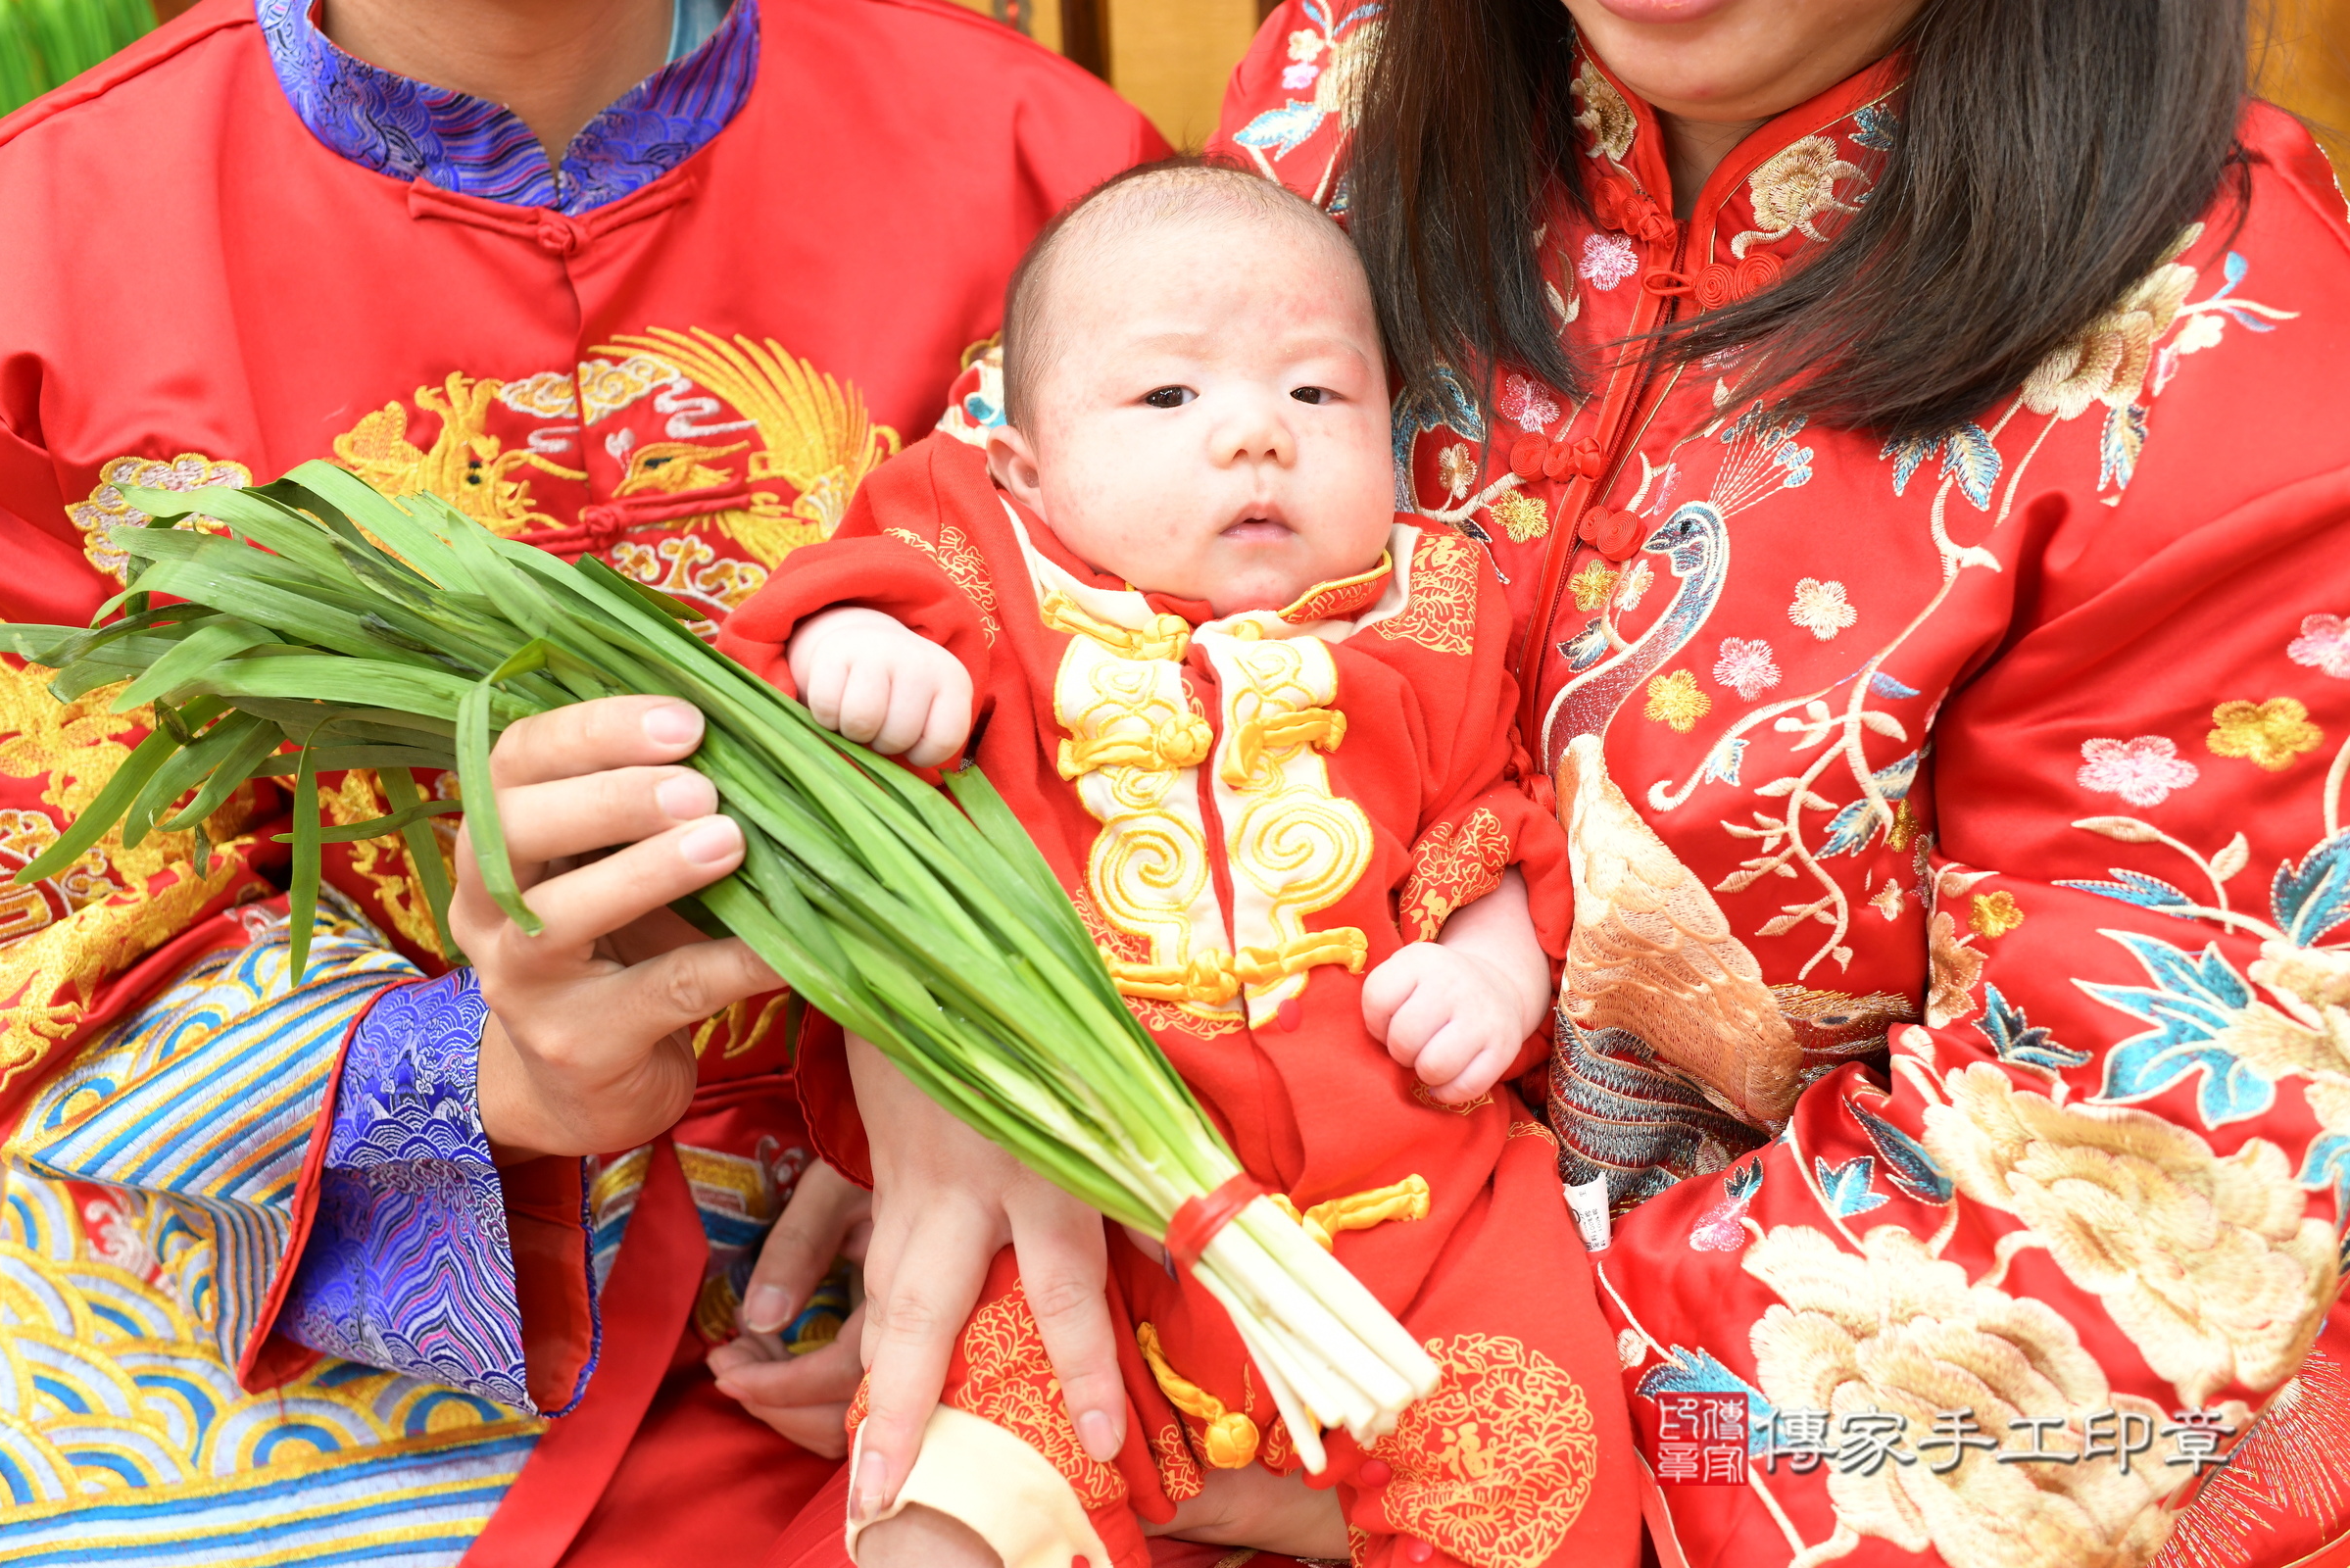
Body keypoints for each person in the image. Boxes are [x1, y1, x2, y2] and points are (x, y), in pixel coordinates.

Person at [799, 0, 2350, 1564]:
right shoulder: (1352, 71)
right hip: (1154, 1279)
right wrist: (945, 1020)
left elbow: (2144, 1190)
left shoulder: (2231, 346)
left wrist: (1364, 1421)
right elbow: (995, 539)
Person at [0, 0, 1159, 1559]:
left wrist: (1019, 1063)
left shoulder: (1050, 178)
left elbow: (1266, 686)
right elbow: (50, 905)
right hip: (344, 1327)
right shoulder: (47, 252)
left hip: (1019, 1287)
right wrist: (486, 1077)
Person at [717, 161, 1640, 1568]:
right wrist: (861, 654)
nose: (1256, 438)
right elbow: (837, 606)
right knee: (951, 1484)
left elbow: (1489, 826)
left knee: (1538, 1459)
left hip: (1420, 1216)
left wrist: (1491, 980)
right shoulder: (989, 580)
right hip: (1084, 1213)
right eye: (1170, 399)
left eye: (1317, 398)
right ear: (1025, 467)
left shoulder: (1433, 619)